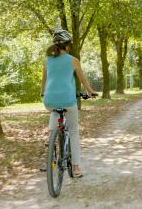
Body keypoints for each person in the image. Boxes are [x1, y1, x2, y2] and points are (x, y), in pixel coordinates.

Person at [41, 29, 96, 178]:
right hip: (68, 99)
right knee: (73, 132)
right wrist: (90, 92)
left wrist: (43, 94)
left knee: (54, 110)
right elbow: (83, 80)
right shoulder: (73, 60)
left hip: (49, 99)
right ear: (68, 45)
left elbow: (44, 81)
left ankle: (51, 139)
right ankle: (76, 168)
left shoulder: (47, 61)